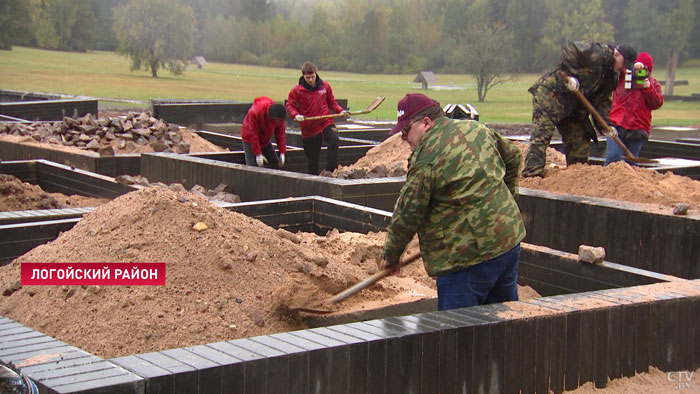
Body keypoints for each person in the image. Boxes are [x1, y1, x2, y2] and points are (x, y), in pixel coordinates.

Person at [379, 93, 526, 311]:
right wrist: (504, 199)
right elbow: (513, 156)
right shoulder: (476, 129)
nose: (403, 138)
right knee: (504, 322)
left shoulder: (427, 157)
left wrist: (391, 256)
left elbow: (409, 212)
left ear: (426, 123)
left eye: (406, 130)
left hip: (466, 258)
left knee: (456, 334)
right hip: (507, 241)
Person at [521, 40, 638, 178]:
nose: (623, 69)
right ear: (617, 55)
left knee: (580, 138)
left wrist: (607, 127)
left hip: (575, 108)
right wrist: (571, 75)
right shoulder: (597, 52)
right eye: (623, 65)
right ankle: (532, 175)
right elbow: (569, 48)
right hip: (553, 96)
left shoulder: (611, 77)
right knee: (542, 133)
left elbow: (602, 102)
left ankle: (575, 177)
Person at [286, 62, 348, 175]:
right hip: (309, 127)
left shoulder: (325, 87)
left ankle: (331, 171)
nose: (310, 80)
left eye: (312, 77)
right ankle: (313, 178)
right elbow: (290, 105)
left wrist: (341, 111)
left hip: (326, 121)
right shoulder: (296, 90)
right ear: (303, 76)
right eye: (307, 77)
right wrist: (295, 115)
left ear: (316, 74)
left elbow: (332, 102)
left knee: (334, 139)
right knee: (312, 157)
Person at [604, 52, 664, 165]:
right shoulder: (623, 77)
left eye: (643, 70)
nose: (639, 73)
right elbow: (614, 70)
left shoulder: (653, 84)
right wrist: (631, 68)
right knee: (613, 156)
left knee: (632, 160)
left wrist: (648, 89)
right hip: (617, 124)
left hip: (638, 128)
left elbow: (657, 103)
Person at [241, 96, 287, 169]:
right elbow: (253, 134)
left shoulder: (279, 114)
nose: (278, 122)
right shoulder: (255, 112)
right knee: (252, 166)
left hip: (265, 138)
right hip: (249, 137)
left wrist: (282, 152)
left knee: (275, 162)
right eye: (276, 120)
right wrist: (258, 153)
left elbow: (280, 134)